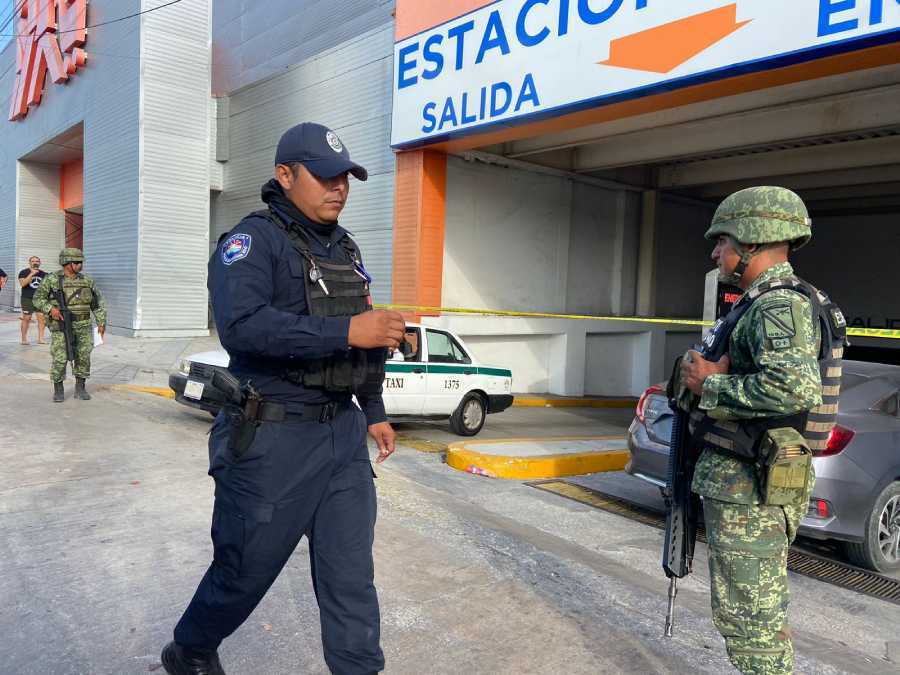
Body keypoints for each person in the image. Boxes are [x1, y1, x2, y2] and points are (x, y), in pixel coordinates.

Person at [162, 122, 405, 675]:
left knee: (350, 578)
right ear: (285, 174)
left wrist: (375, 411)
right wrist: (349, 334)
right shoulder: (252, 241)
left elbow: (363, 334)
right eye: (324, 177)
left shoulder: (345, 246)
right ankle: (192, 648)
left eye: (345, 178)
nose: (338, 188)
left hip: (341, 437)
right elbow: (243, 328)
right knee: (243, 571)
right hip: (271, 437)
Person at [676, 186, 845, 674]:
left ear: (750, 241)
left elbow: (794, 389)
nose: (716, 252)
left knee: (751, 620)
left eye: (723, 241)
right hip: (748, 484)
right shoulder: (762, 303)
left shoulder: (777, 306)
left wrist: (713, 384)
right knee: (752, 614)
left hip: (749, 488)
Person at [33, 248, 107, 402]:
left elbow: (98, 303)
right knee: (60, 358)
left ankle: (80, 388)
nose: (80, 265)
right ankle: (58, 389)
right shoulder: (52, 279)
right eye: (77, 262)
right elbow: (37, 299)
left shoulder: (87, 281)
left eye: (81, 262)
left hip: (84, 325)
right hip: (61, 326)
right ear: (66, 263)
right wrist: (50, 309)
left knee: (83, 356)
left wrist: (101, 322)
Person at [18, 256, 48, 344]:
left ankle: (41, 339)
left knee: (41, 318)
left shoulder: (44, 274)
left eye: (37, 261)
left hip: (40, 299)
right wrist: (31, 274)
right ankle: (24, 339)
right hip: (27, 298)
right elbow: (23, 284)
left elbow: (47, 287)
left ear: (40, 263)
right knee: (26, 318)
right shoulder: (23, 272)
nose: (35, 262)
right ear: (29, 262)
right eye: (33, 261)